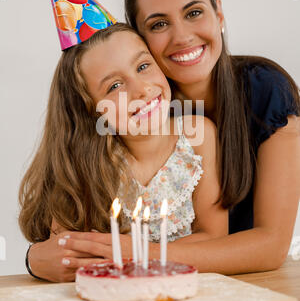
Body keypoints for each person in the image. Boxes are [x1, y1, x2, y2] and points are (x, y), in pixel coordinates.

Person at [122, 0, 300, 274]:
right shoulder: (131, 108)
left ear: (218, 13)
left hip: (247, 289)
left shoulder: (266, 89)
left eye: (194, 13)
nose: (182, 37)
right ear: (139, 39)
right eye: (159, 24)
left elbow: (271, 247)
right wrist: (36, 256)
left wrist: (133, 255)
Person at [19, 22, 227, 282]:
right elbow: (68, 253)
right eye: (114, 86)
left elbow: (215, 237)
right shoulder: (84, 163)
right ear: (90, 110)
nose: (141, 89)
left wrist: (141, 254)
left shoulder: (198, 136)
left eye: (142, 66)